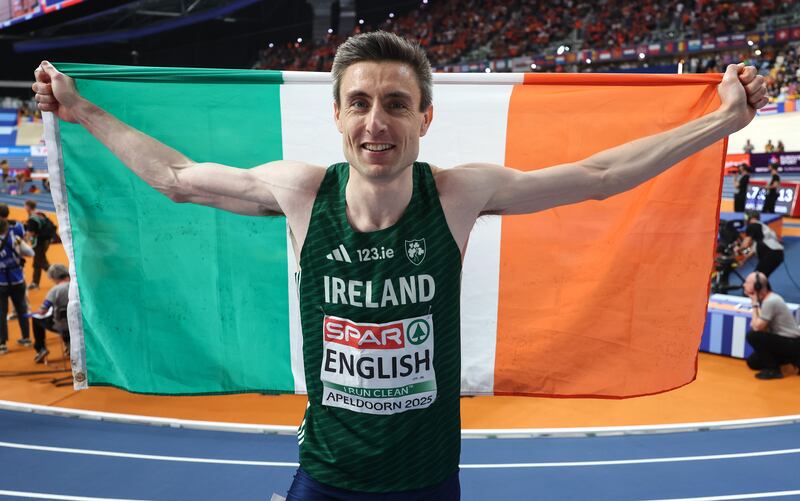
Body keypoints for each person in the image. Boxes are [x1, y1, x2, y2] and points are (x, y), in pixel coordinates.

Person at [32, 31, 768, 498]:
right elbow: (176, 178)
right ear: (337, 116)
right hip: (327, 474)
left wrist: (724, 120)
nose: (375, 122)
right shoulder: (301, 193)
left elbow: (600, 175)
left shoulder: (456, 195)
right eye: (359, 103)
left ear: (425, 116)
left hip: (426, 479)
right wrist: (80, 110)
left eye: (395, 103)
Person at [743, 272, 800, 379]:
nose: (744, 285)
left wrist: (754, 305)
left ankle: (773, 370)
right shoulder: (766, 299)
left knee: (752, 336)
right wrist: (755, 303)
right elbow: (755, 324)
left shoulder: (770, 301)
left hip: (792, 342)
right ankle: (791, 359)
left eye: (747, 282)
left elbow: (757, 327)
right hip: (784, 340)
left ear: (757, 286)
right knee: (753, 362)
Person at [0, 218, 34, 354]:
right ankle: (26, 338)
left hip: (1, 282)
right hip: (17, 279)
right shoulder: (16, 239)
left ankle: (2, 344)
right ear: (6, 228)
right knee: (22, 309)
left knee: (1, 312)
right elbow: (31, 253)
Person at [30, 264, 70, 363]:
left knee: (36, 319)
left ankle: (40, 349)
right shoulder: (78, 286)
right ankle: (69, 344)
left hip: (61, 325)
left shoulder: (54, 291)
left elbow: (43, 310)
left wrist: (35, 312)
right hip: (80, 323)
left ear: (54, 277)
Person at [738, 210, 784, 278]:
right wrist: (743, 261)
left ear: (748, 217)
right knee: (762, 277)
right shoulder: (763, 228)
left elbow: (745, 245)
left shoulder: (752, 226)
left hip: (770, 254)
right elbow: (752, 251)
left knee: (756, 278)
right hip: (779, 254)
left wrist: (738, 249)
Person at [23, 199, 57, 290]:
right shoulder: (40, 214)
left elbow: (31, 233)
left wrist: (24, 241)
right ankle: (35, 283)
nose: (24, 207)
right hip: (46, 241)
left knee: (43, 263)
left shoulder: (32, 219)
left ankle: (61, 277)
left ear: (28, 207)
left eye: (25, 206)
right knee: (37, 262)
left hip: (39, 243)